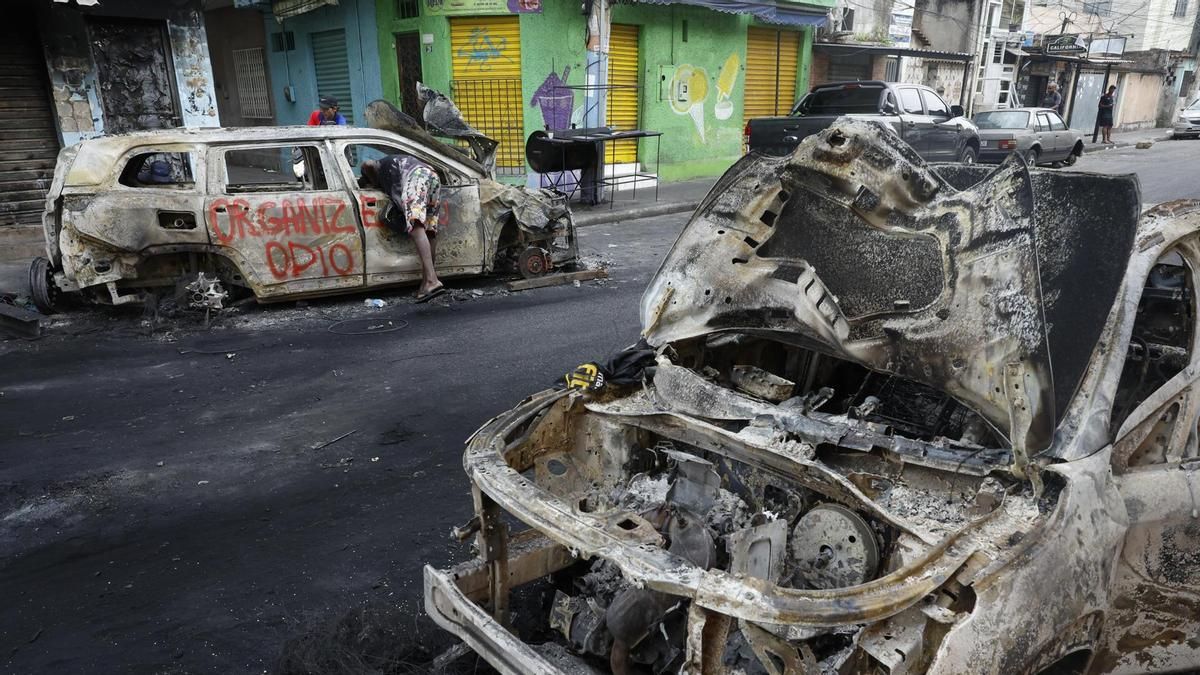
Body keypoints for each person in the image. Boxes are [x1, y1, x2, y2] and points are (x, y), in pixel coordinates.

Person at [360, 155, 446, 302]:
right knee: (429, 231)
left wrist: (373, 183)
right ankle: (426, 285)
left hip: (415, 176)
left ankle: (432, 280)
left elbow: (367, 164)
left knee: (416, 226)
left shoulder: (379, 168)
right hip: (431, 175)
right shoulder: (393, 175)